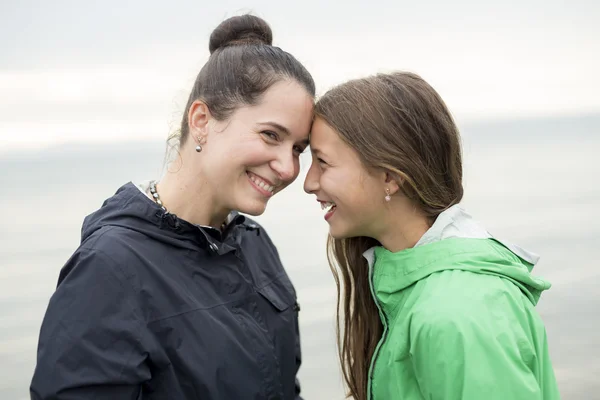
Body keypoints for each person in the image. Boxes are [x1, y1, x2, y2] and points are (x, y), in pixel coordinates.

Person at [30, 14, 315, 400]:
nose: (288, 167)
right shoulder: (110, 269)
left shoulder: (255, 244)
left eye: (297, 148)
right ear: (202, 120)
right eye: (270, 135)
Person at [303, 71, 560, 400]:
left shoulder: (455, 313)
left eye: (323, 162)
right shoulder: (419, 290)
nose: (309, 182)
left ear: (390, 178)